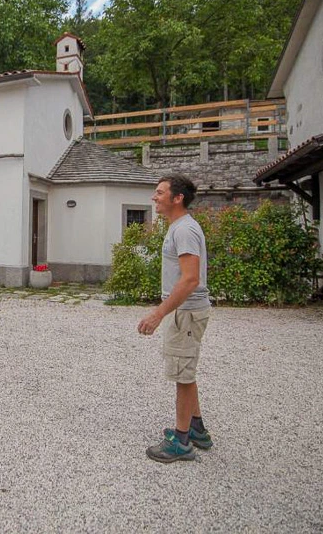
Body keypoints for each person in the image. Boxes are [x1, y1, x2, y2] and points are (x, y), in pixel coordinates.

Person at [137, 174, 212, 463]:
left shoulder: (184, 230)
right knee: (185, 371)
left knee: (182, 374)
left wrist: (158, 314)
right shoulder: (180, 227)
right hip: (186, 311)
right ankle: (196, 429)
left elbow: (191, 278)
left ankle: (181, 442)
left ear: (176, 198)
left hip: (187, 312)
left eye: (159, 192)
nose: (154, 197)